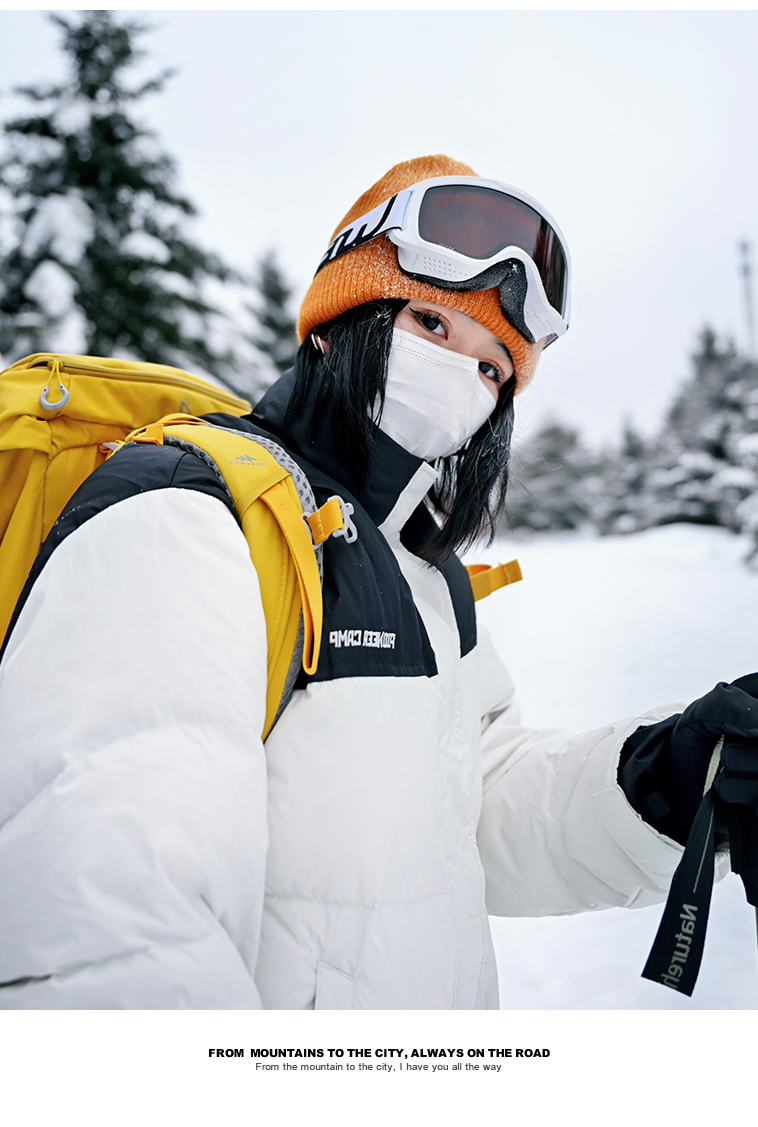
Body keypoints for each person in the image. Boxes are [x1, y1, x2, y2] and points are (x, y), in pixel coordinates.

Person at [0, 154, 757, 1010]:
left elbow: (475, 802)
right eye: (433, 324)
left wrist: (670, 779)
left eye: (492, 369)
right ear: (337, 322)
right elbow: (112, 936)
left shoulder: (425, 575)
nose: (461, 379)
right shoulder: (195, 516)